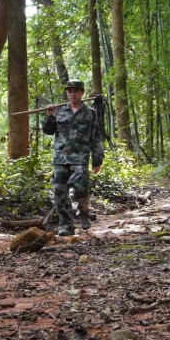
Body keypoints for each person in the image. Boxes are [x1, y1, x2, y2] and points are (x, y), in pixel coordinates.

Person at [42, 79, 104, 237]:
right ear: (66, 93)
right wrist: (49, 116)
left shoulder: (90, 113)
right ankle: (66, 225)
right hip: (60, 158)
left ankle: (83, 212)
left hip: (80, 157)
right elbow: (48, 131)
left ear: (82, 93)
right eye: (69, 91)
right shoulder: (59, 111)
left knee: (80, 188)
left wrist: (97, 159)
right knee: (59, 191)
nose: (72, 94)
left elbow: (96, 137)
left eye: (76, 91)